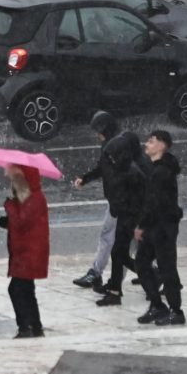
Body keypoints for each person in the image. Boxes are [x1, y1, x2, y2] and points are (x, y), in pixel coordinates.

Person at [134, 130, 185, 326]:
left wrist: (141, 225)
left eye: (151, 141)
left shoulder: (162, 171)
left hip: (163, 226)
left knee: (166, 267)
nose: (147, 144)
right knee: (142, 262)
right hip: (157, 225)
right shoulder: (157, 168)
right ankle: (157, 304)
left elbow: (155, 202)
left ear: (162, 146)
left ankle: (176, 310)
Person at [95, 132, 147, 306]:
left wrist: (139, 223)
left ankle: (149, 276)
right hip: (125, 217)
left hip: (131, 219)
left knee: (119, 253)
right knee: (119, 253)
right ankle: (116, 290)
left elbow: (137, 200)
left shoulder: (132, 172)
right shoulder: (125, 168)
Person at [72, 111, 121, 290]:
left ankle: (96, 274)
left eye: (97, 130)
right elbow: (103, 168)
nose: (96, 135)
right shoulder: (113, 145)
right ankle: (153, 271)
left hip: (120, 202)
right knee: (130, 241)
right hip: (120, 200)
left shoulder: (113, 147)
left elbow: (112, 171)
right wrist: (85, 178)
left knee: (110, 237)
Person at [0, 164, 49, 338]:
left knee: (17, 289)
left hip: (29, 253)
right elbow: (22, 222)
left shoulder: (34, 198)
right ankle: (35, 326)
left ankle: (25, 327)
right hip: (25, 251)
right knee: (26, 290)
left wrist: (9, 205)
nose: (9, 179)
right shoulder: (26, 197)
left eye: (12, 177)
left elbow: (22, 222)